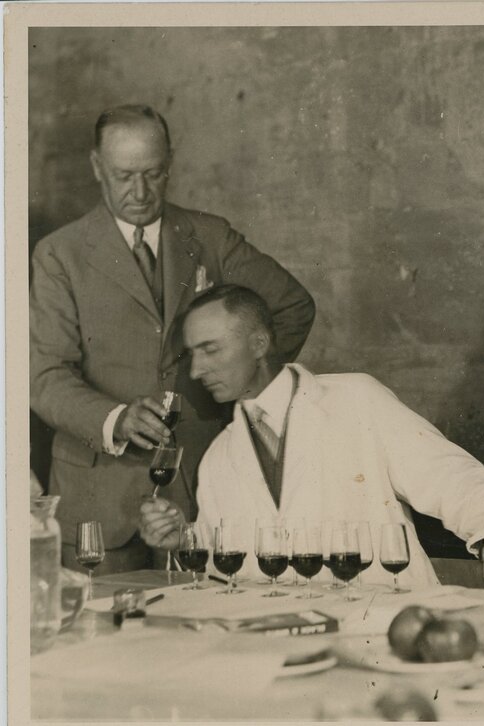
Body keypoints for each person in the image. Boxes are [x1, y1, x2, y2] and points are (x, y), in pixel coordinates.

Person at [30, 105, 316, 573]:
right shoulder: (58, 255)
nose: (140, 192)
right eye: (124, 176)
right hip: (98, 505)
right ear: (96, 167)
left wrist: (234, 380)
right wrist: (115, 419)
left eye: (153, 174)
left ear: (171, 162)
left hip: (203, 488)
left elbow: (292, 307)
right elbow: (43, 376)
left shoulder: (211, 237)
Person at [139, 285, 484, 588]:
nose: (196, 371)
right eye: (192, 355)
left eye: (210, 349)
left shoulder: (356, 399)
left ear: (259, 343)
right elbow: (222, 573)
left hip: (382, 632)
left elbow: (454, 480)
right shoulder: (219, 456)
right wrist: (183, 539)